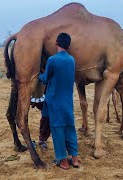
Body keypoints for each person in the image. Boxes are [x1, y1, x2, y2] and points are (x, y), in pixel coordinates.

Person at [39, 33, 79, 169]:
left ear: (56, 43)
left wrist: (39, 74)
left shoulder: (52, 60)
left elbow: (45, 79)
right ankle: (74, 158)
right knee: (70, 128)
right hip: (67, 101)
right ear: (68, 45)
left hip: (54, 101)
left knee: (57, 129)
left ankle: (63, 161)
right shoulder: (72, 60)